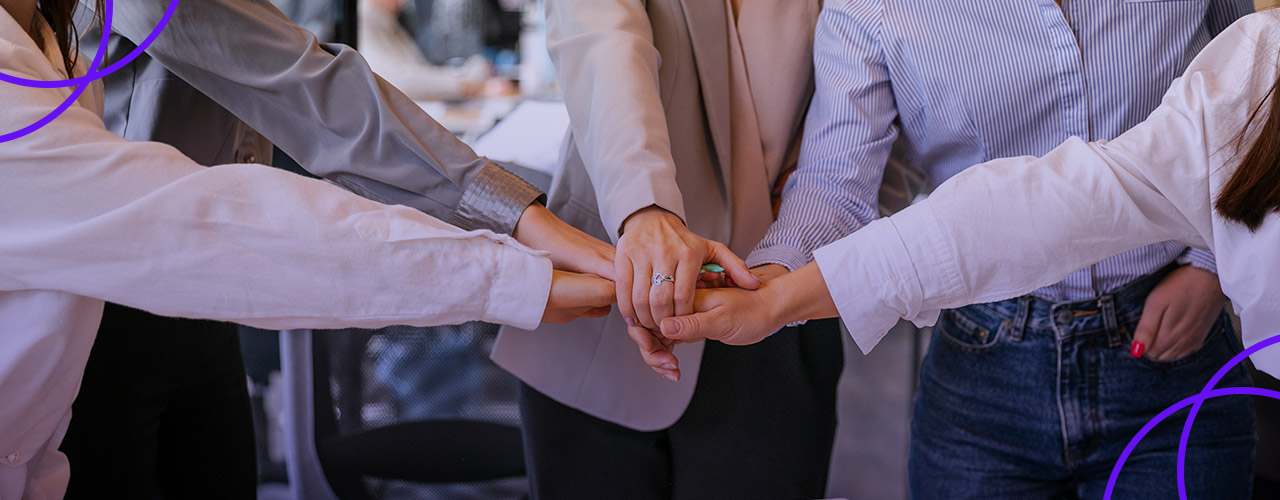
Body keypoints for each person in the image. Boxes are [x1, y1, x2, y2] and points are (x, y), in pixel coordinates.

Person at [0, 1, 616, 498]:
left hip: (189, 313)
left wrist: (519, 241)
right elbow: (291, 106)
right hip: (132, 301)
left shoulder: (50, 31)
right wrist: (515, 256)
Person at [663, 9, 1280, 497]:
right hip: (986, 360)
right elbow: (843, 190)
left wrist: (1208, 263)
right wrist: (771, 283)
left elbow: (1239, 127)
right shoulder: (873, 10)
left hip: (1174, 348)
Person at [490, 0, 845, 498]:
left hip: (780, 296)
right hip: (613, 283)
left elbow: (892, 105)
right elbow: (601, 42)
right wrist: (645, 208)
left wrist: (815, 219)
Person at [358, 0, 490, 101]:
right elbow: (397, 83)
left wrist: (464, 78)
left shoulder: (388, 22)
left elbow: (418, 69)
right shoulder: (362, 24)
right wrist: (461, 85)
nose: (404, 3)